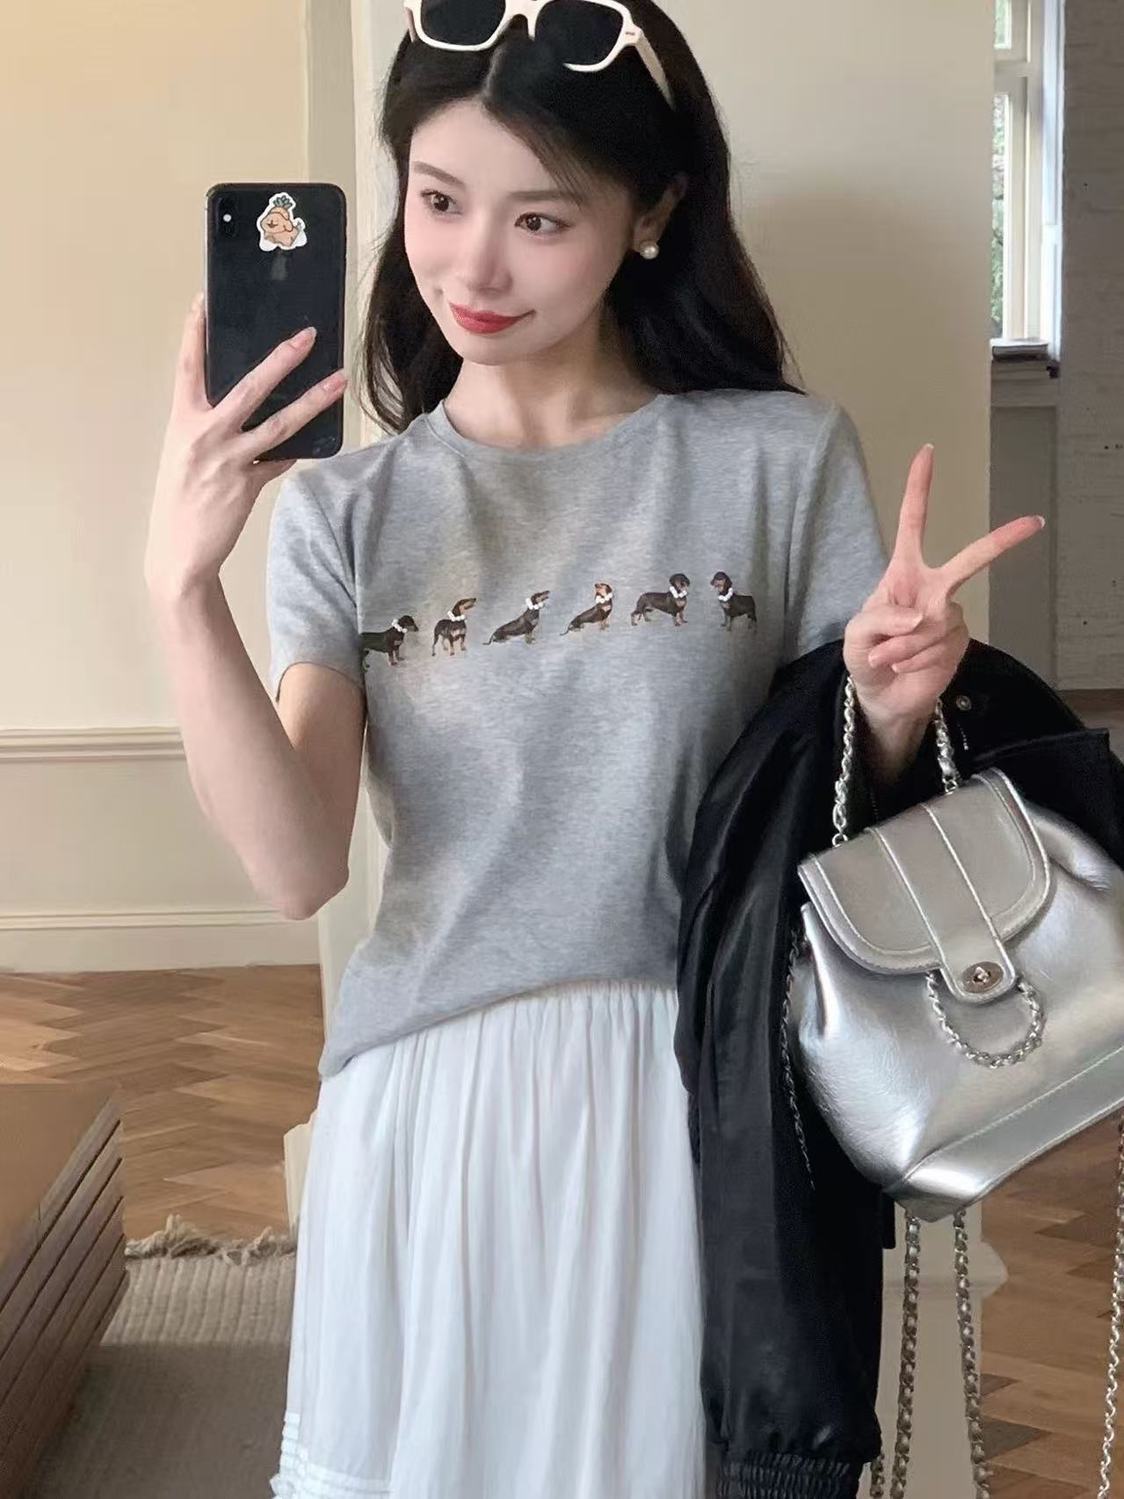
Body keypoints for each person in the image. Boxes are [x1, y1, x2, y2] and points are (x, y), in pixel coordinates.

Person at [144, 2, 919, 1495]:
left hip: (690, 1092)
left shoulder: (777, 459)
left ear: (653, 213)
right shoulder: (348, 508)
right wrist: (183, 589)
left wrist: (890, 708)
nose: (472, 269)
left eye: (540, 219)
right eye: (438, 201)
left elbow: (842, 831)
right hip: (431, 1100)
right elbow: (298, 866)